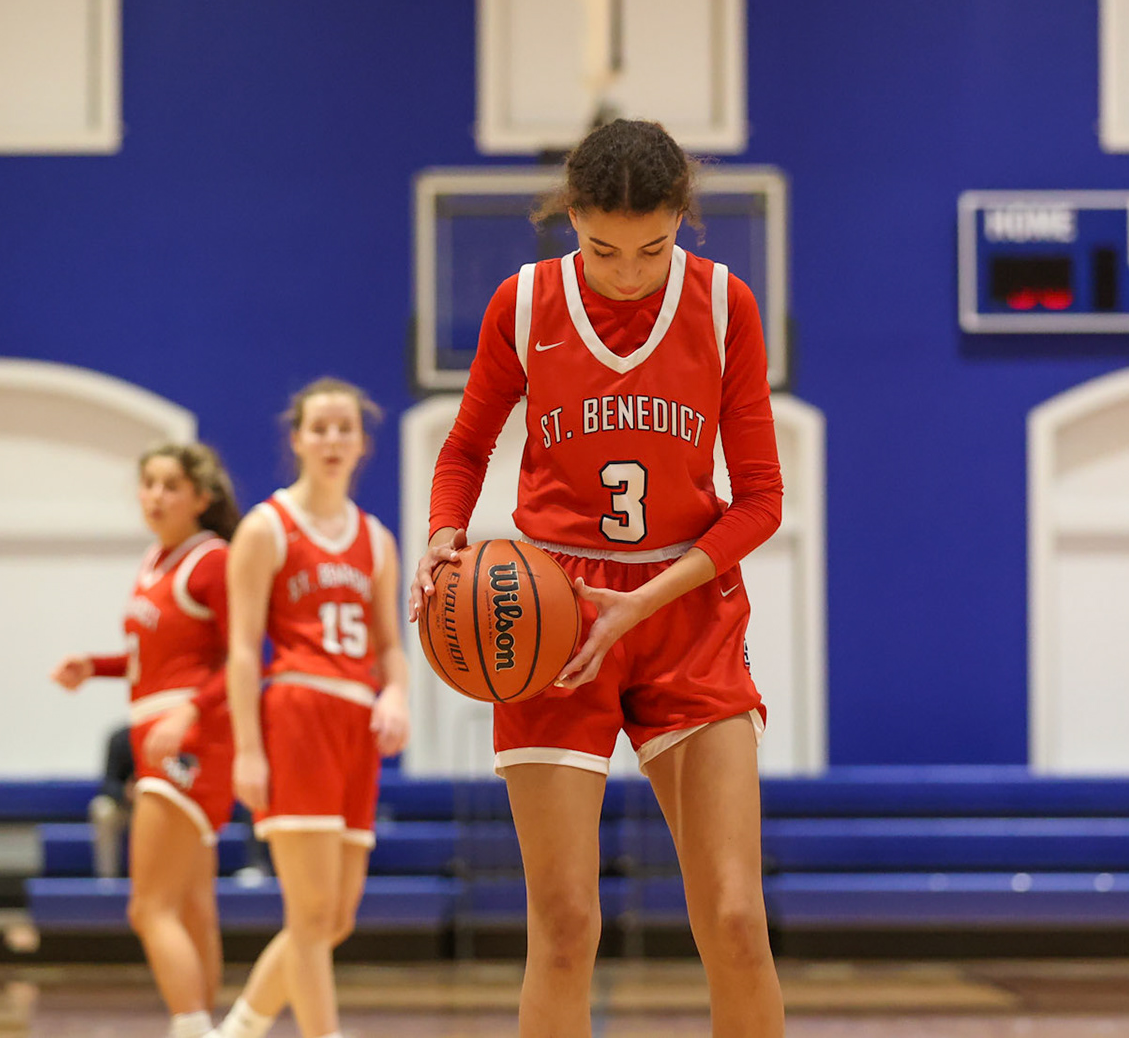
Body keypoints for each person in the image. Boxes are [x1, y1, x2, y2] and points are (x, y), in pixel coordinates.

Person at [411, 118, 786, 1037]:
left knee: (736, 921)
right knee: (567, 925)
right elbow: (464, 448)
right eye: (602, 248)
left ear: (683, 223)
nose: (627, 271)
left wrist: (649, 598)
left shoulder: (727, 306)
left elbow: (761, 501)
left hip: (684, 611)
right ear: (570, 220)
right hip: (554, 619)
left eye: (652, 247)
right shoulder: (526, 305)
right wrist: (442, 537)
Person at [217, 379, 410, 1038]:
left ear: (362, 443)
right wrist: (246, 747)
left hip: (356, 724)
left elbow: (390, 645)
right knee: (309, 913)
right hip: (296, 712)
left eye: (344, 428)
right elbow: (241, 649)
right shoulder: (266, 527)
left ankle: (239, 1028)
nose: (332, 440)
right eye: (319, 428)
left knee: (335, 920)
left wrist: (398, 694)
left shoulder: (377, 540)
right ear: (296, 439)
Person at [52, 442, 241, 1038]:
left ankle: (190, 1028)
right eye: (148, 483)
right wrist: (97, 666)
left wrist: (190, 710)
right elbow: (154, 659)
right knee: (190, 905)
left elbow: (242, 659)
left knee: (147, 906)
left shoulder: (210, 560)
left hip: (190, 740)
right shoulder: (154, 560)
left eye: (171, 486)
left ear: (200, 498)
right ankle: (203, 1024)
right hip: (160, 733)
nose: (156, 496)